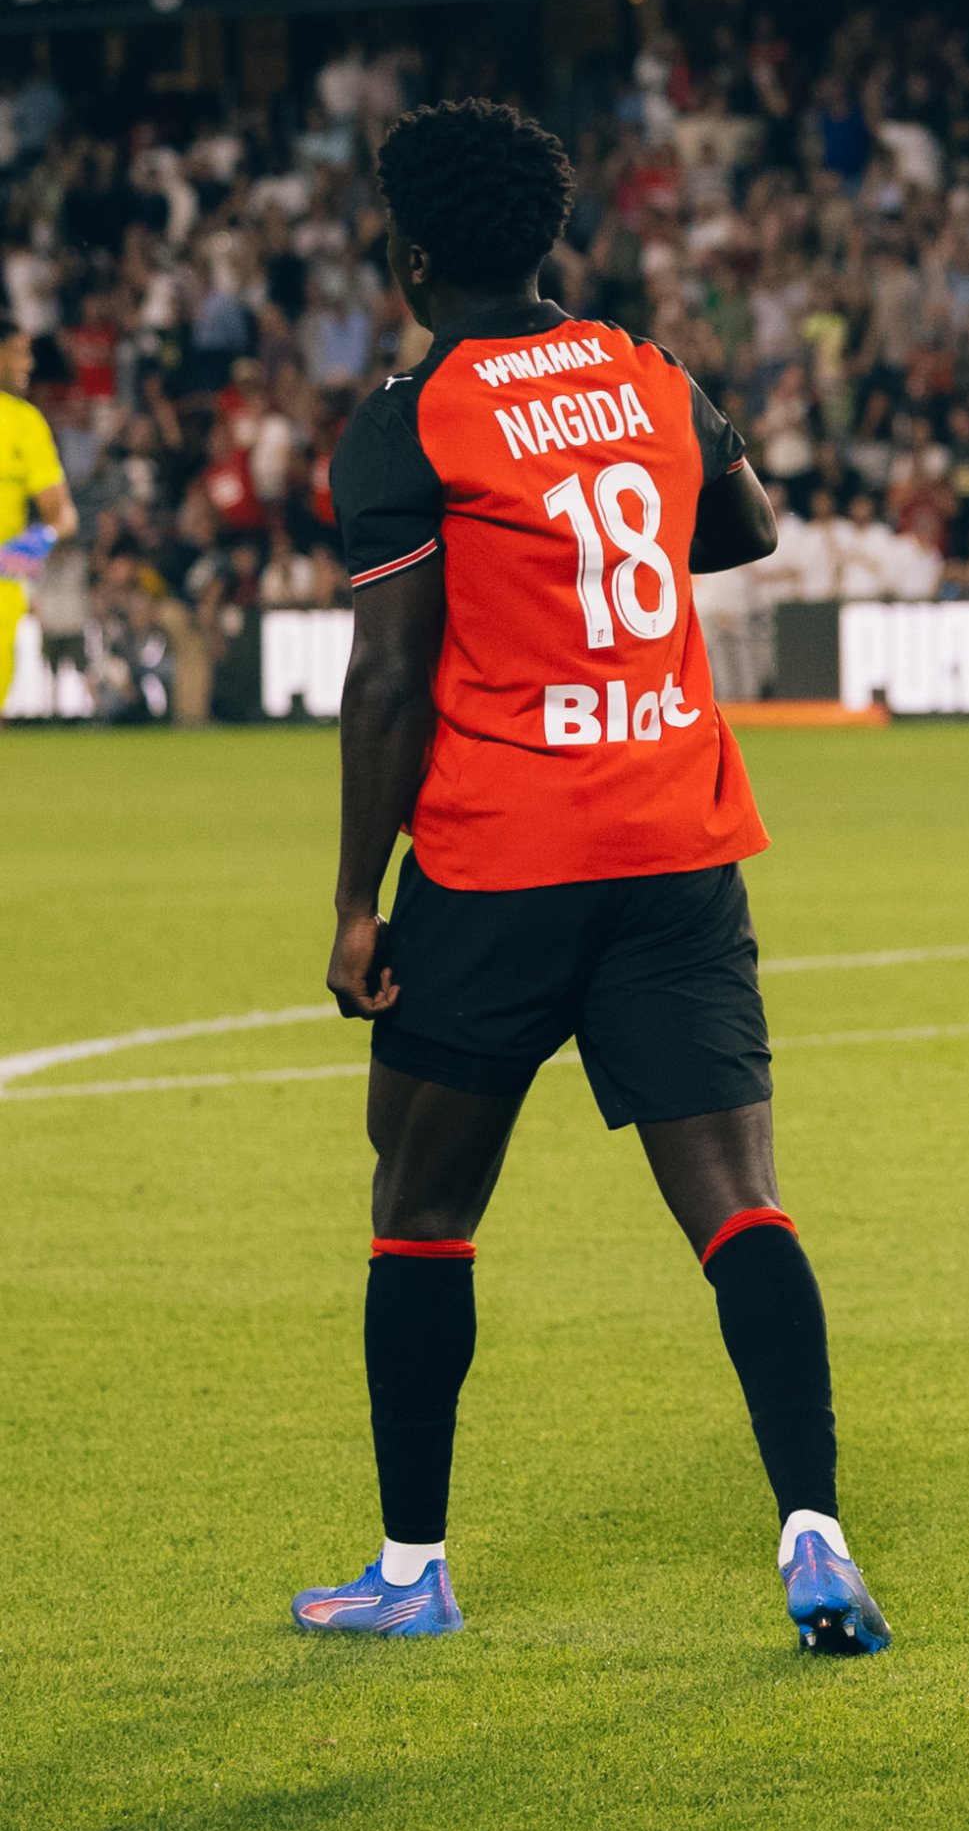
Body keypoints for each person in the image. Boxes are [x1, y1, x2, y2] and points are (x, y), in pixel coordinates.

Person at [302, 100, 887, 1657]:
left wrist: (361, 901)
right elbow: (746, 528)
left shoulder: (408, 418)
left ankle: (412, 1568)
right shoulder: (649, 373)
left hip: (502, 863)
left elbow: (388, 678)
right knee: (739, 1209)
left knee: (419, 1205)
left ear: (416, 253)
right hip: (676, 850)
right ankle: (814, 1533)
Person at [0, 331, 72, 667]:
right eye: (18, 353)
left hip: (3, 579)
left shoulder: (27, 422)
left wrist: (37, 540)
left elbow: (63, 515)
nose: (28, 364)